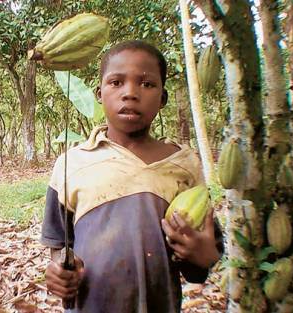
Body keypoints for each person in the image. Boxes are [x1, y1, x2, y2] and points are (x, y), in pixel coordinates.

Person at [40, 40, 223, 312]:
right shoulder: (73, 164)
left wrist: (204, 257)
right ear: (99, 93)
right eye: (116, 82)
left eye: (147, 84)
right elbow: (59, 240)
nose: (130, 93)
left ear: (162, 99)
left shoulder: (183, 165)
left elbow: (198, 265)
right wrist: (60, 270)